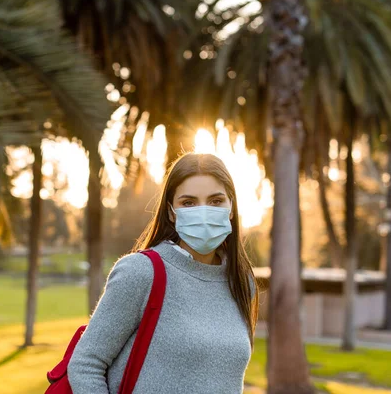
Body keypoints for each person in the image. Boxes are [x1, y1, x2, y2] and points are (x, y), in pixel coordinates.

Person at [68, 152, 259, 393]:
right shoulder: (140, 273)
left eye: (215, 201)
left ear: (231, 207)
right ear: (171, 212)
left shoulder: (241, 283)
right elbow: (86, 363)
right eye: (188, 203)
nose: (203, 212)